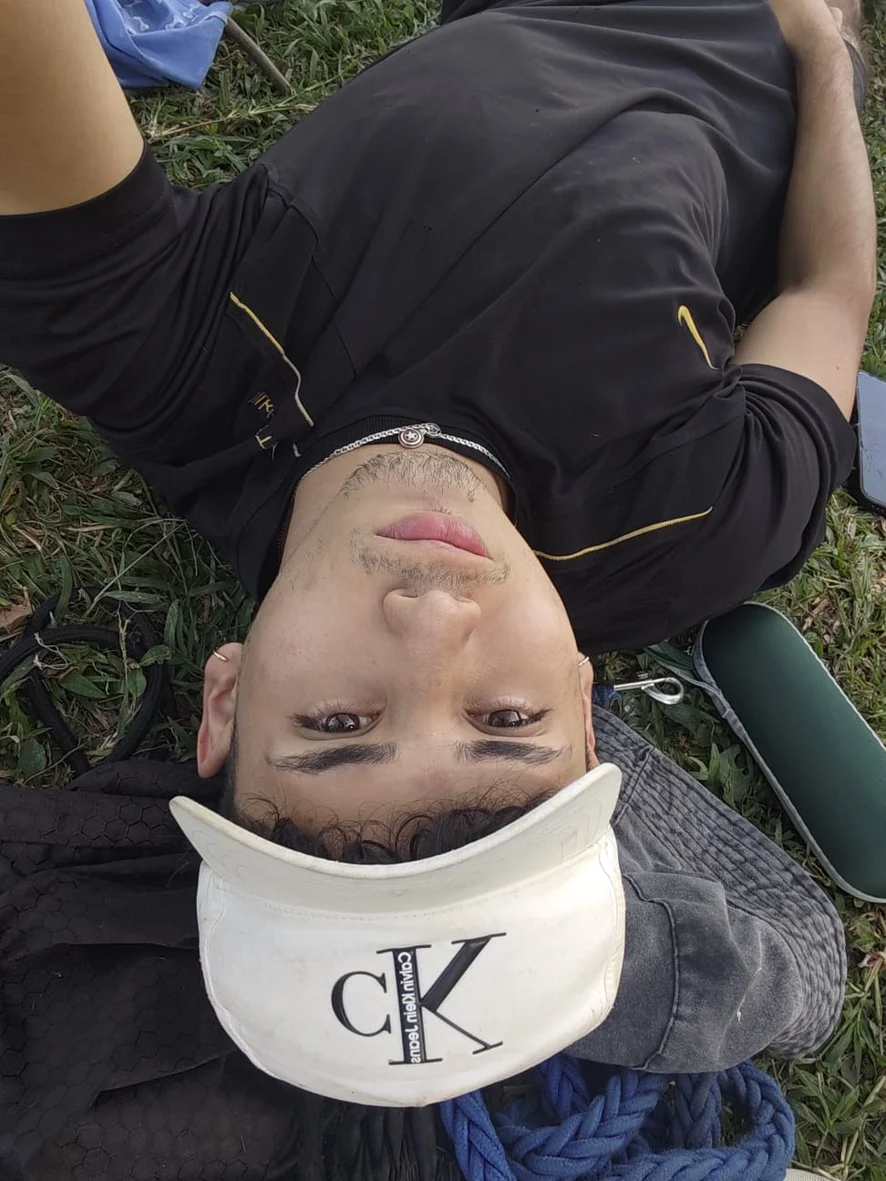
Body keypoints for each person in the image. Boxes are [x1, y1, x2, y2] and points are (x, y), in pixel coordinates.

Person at [0, 0, 871, 1173]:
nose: (429, 617)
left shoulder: (166, 357)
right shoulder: (698, 519)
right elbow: (825, 291)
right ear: (583, 709)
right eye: (504, 719)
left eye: (335, 722)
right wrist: (820, 47)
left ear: (227, 698)